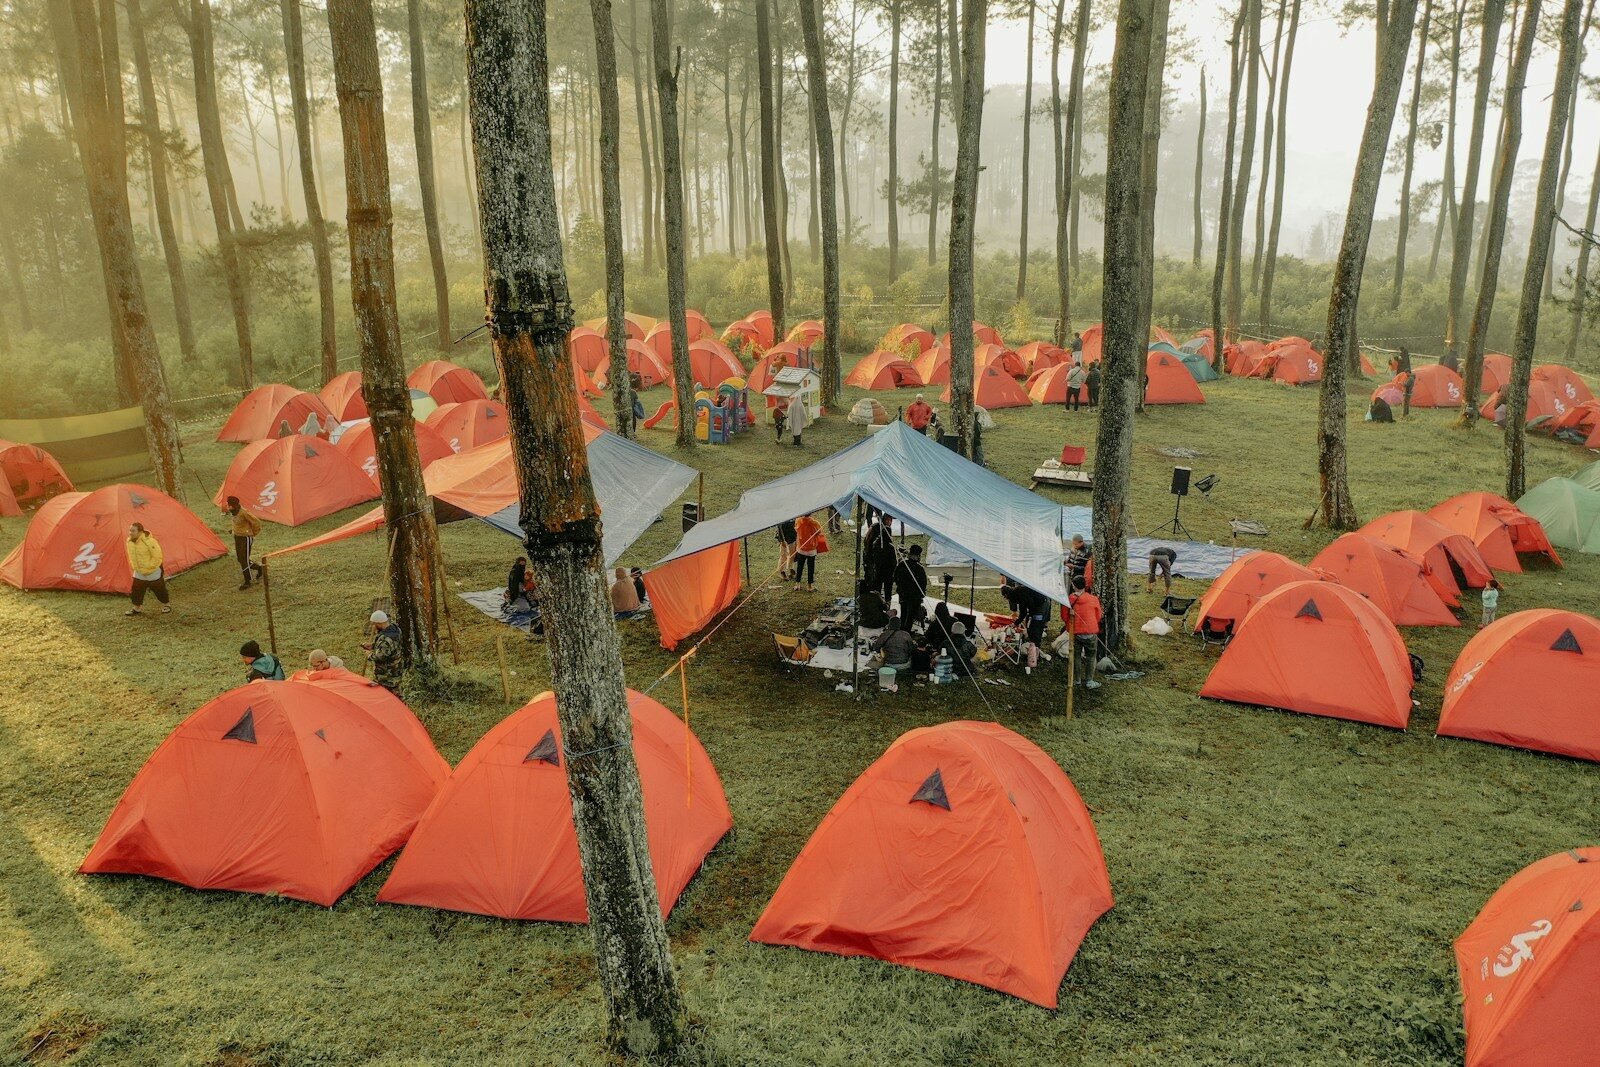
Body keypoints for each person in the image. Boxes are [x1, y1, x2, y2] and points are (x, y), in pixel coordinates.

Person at [124, 522, 170, 616]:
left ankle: (166, 604)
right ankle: (137, 608)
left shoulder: (150, 541)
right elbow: (132, 556)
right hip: (139, 571)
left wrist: (149, 567)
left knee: (159, 589)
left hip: (152, 571)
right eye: (130, 530)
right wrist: (135, 567)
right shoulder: (129, 541)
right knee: (136, 590)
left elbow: (157, 557)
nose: (130, 533)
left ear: (140, 532)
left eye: (133, 531)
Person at [224, 496, 263, 590]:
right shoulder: (233, 512)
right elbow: (236, 523)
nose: (227, 507)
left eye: (229, 505)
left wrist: (253, 533)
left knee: (244, 560)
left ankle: (247, 581)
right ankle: (259, 568)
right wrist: (233, 530)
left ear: (233, 506)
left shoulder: (243, 512)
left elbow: (256, 522)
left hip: (246, 538)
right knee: (240, 559)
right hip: (237, 537)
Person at [365, 610, 404, 692]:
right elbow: (390, 647)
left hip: (387, 674)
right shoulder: (396, 629)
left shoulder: (385, 639)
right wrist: (373, 646)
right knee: (396, 691)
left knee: (390, 694)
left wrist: (369, 655)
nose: (374, 626)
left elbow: (380, 657)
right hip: (397, 669)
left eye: (375, 624)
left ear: (379, 623)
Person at [893, 544, 928, 629]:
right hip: (914, 596)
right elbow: (923, 584)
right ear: (918, 556)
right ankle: (906, 631)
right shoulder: (919, 569)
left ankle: (901, 629)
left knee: (904, 613)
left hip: (903, 594)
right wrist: (922, 594)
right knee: (910, 616)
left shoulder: (902, 565)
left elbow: (895, 577)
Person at [793, 511, 826, 590]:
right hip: (811, 549)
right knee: (811, 567)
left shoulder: (798, 521)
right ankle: (809, 585)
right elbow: (820, 532)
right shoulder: (815, 523)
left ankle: (797, 583)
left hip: (801, 548)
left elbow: (796, 529)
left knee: (800, 566)